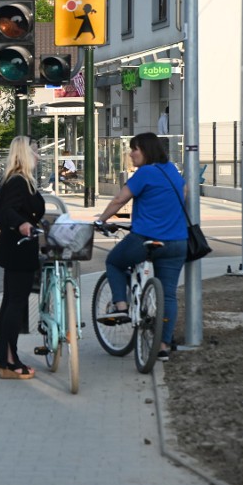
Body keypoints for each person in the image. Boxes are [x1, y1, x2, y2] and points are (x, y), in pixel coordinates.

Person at [95, 132, 187, 361]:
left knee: (114, 262)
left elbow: (120, 200)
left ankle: (121, 306)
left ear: (145, 150)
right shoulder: (172, 171)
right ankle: (163, 346)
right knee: (168, 295)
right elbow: (184, 193)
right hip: (177, 242)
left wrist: (101, 220)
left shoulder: (145, 173)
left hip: (145, 238)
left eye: (134, 149)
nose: (130, 153)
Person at [0, 135, 45, 379]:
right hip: (21, 249)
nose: (38, 155)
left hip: (13, 248)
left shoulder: (8, 180)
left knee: (10, 304)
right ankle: (10, 362)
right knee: (15, 305)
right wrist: (21, 226)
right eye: (34, 151)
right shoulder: (19, 182)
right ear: (24, 153)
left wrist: (11, 228)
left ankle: (3, 358)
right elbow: (6, 211)